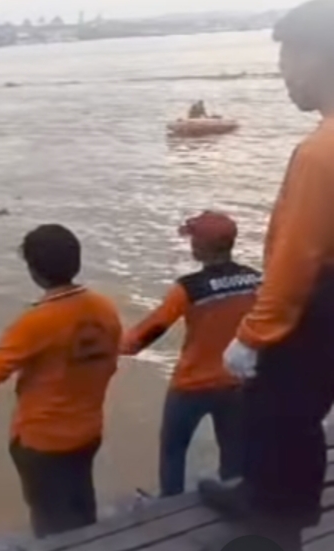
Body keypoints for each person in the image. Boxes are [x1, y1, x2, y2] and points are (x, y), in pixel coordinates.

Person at [198, 3, 334, 550]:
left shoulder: (320, 153)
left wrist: (253, 336)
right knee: (305, 414)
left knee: (279, 415)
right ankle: (269, 499)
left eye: (287, 60)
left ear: (319, 57)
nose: (283, 75)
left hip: (317, 304)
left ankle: (274, 526)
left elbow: (296, 258)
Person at [0, 224, 121, 537]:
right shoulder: (106, 308)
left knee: (49, 519)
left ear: (34, 272)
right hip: (89, 431)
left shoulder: (35, 321)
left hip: (42, 440)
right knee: (81, 502)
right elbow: (112, 360)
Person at [120, 211, 260, 497]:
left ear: (200, 247)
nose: (191, 244)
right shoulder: (256, 280)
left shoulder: (189, 288)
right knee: (233, 451)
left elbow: (144, 335)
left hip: (191, 385)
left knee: (173, 450)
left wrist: (109, 346)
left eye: (193, 239)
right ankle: (233, 498)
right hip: (236, 381)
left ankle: (169, 504)